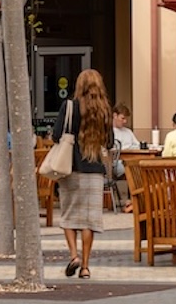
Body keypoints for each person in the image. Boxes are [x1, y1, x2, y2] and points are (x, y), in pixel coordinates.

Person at [53, 69, 113, 280]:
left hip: (71, 168)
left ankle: (73, 256)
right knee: (89, 221)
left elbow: (56, 135)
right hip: (95, 171)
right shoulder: (105, 110)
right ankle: (86, 267)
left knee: (69, 216)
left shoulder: (69, 106)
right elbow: (110, 142)